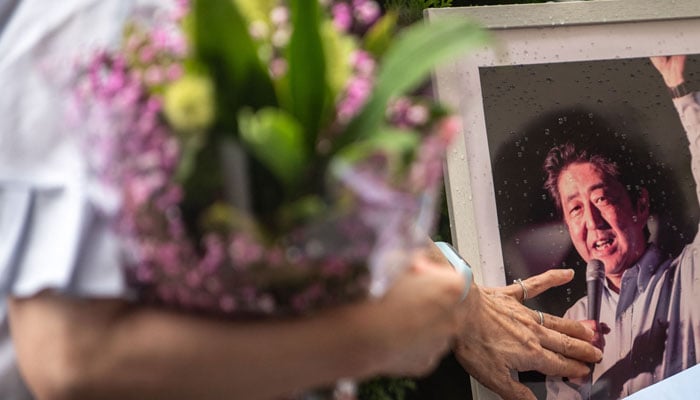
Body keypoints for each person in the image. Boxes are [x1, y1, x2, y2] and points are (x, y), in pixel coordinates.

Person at [0, 1, 601, 399]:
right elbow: (70, 358)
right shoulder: (97, 18)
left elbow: (259, 185)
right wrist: (379, 333)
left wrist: (448, 282)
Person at [544, 55, 700, 399]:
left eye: (601, 199)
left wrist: (681, 90)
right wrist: (574, 379)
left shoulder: (691, 276)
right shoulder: (573, 323)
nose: (592, 222)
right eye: (575, 209)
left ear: (640, 205)